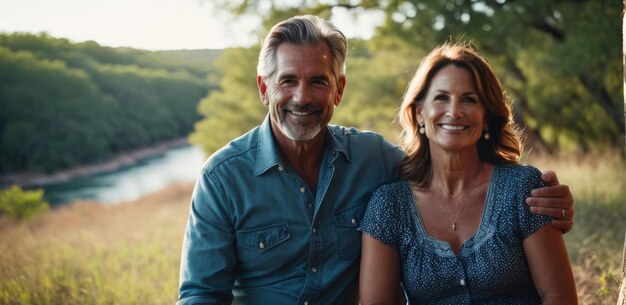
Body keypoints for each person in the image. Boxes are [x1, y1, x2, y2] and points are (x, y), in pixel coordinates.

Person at [177, 16, 575, 305]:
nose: (302, 97)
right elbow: (200, 294)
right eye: (287, 81)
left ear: (339, 90)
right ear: (264, 88)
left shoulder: (373, 160)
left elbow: (440, 173)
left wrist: (550, 202)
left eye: (318, 81)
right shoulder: (223, 179)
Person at [358, 42, 578, 304]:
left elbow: (558, 296)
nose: (455, 111)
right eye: (441, 98)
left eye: (469, 99)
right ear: (419, 114)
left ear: (486, 117)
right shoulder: (389, 205)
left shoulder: (522, 189)